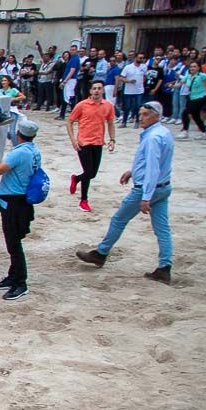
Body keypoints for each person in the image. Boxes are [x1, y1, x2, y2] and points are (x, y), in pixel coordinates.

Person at [76, 102, 175, 283]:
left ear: (156, 116)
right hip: (164, 187)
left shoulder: (152, 138)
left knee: (119, 220)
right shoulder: (164, 133)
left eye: (145, 114)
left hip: (147, 189)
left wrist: (145, 196)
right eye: (140, 113)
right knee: (162, 230)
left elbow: (152, 168)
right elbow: (156, 165)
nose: (141, 117)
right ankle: (164, 267)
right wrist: (133, 171)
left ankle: (101, 253)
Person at [0, 119, 41, 301]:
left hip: (14, 201)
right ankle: (13, 276)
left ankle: (20, 283)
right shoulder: (34, 150)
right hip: (21, 200)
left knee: (13, 244)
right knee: (13, 242)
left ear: (18, 134)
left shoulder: (19, 153)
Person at [66, 81, 116, 211]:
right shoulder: (82, 105)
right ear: (90, 91)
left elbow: (110, 123)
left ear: (103, 91)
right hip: (83, 143)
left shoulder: (108, 105)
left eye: (99, 88)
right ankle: (84, 200)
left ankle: (76, 178)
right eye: (94, 88)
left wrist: (112, 139)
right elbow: (70, 121)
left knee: (92, 174)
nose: (97, 91)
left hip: (98, 142)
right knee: (88, 172)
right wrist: (73, 140)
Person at [176, 60, 206, 139]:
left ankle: (185, 131)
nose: (192, 68)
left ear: (198, 68)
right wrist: (172, 86)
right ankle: (204, 132)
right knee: (195, 116)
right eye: (191, 66)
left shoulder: (201, 75)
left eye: (194, 66)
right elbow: (179, 84)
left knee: (185, 113)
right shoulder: (187, 76)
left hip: (201, 97)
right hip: (192, 97)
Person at [119, 52, 147, 127]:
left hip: (139, 90)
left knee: (138, 106)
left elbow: (144, 76)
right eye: (139, 58)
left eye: (142, 58)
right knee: (127, 106)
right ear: (135, 58)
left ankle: (137, 121)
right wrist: (128, 81)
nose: (141, 59)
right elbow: (121, 77)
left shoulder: (144, 67)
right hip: (129, 90)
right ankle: (124, 122)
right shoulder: (128, 67)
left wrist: (142, 81)